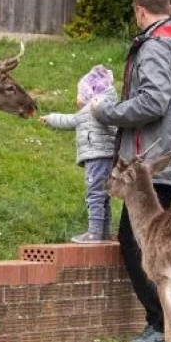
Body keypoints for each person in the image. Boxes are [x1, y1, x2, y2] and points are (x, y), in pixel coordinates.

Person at [90, 0, 171, 342]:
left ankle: (163, 326)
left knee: (136, 240)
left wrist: (105, 111)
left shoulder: (156, 46)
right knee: (160, 241)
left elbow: (153, 102)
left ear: (140, 10)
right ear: (168, 7)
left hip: (153, 158)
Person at [40, 65, 117, 244]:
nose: (77, 98)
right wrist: (50, 118)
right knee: (104, 195)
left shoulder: (91, 111)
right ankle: (104, 232)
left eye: (79, 93)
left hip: (96, 158)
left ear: (88, 93)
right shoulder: (108, 108)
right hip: (108, 157)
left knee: (94, 194)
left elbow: (69, 120)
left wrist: (50, 118)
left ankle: (94, 233)